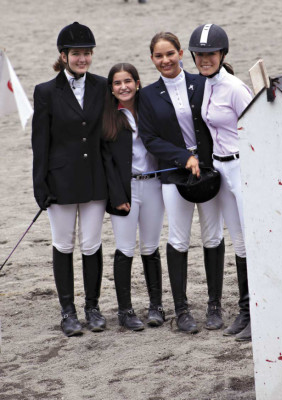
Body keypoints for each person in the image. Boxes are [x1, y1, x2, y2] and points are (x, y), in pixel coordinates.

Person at [139, 32, 225, 334]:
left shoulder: (201, 83)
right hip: (174, 173)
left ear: (180, 54)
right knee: (178, 238)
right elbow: (150, 139)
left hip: (208, 169)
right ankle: (182, 309)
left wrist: (203, 159)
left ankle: (215, 304)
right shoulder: (147, 95)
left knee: (212, 235)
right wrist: (181, 157)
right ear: (152, 59)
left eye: (170, 54)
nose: (165, 60)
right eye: (159, 56)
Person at [32, 22, 108, 337]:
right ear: (64, 55)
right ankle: (68, 311)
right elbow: (40, 144)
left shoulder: (102, 86)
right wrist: (41, 187)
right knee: (63, 244)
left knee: (91, 244)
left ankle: (92, 306)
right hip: (60, 181)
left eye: (87, 53)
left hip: (93, 180)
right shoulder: (46, 92)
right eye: (77, 53)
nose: (82, 59)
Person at [188, 23, 253, 341]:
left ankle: (259, 312)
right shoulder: (206, 85)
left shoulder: (236, 88)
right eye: (199, 55)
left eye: (210, 54)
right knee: (239, 242)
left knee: (252, 241)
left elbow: (258, 128)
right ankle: (246, 311)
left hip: (243, 168)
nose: (204, 59)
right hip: (221, 171)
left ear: (222, 54)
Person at [102, 63, 165, 331]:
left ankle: (156, 306)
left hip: (153, 185)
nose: (123, 87)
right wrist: (117, 196)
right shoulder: (107, 118)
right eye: (117, 83)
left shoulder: (148, 111)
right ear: (112, 88)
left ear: (138, 82)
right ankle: (125, 311)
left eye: (128, 81)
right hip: (126, 188)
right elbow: (106, 162)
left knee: (150, 247)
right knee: (125, 248)